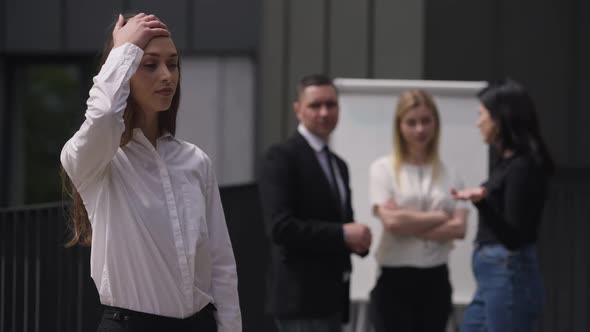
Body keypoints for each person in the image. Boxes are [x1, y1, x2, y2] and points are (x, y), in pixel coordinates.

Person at [60, 13, 241, 332]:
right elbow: (102, 115)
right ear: (124, 69)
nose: (166, 76)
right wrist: (123, 49)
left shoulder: (195, 160)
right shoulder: (97, 160)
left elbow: (220, 265)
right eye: (150, 64)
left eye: (172, 64)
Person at [256, 74, 372, 332]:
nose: (324, 112)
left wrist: (358, 241)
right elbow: (280, 228)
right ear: (298, 110)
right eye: (315, 105)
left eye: (331, 105)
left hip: (332, 299)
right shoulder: (281, 158)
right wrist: (343, 233)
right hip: (300, 300)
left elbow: (340, 223)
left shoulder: (338, 165)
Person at [452, 79, 554, 332]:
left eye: (482, 115)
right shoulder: (507, 163)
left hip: (508, 274)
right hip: (493, 277)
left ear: (500, 119)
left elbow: (514, 236)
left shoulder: (523, 167)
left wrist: (482, 203)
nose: (478, 123)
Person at [368, 89, 469, 332]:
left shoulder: (450, 173)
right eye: (411, 122)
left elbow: (459, 228)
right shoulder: (383, 169)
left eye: (426, 121)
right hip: (395, 279)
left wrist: (407, 221)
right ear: (399, 126)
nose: (419, 130)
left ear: (436, 123)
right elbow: (392, 224)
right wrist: (440, 216)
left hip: (435, 279)